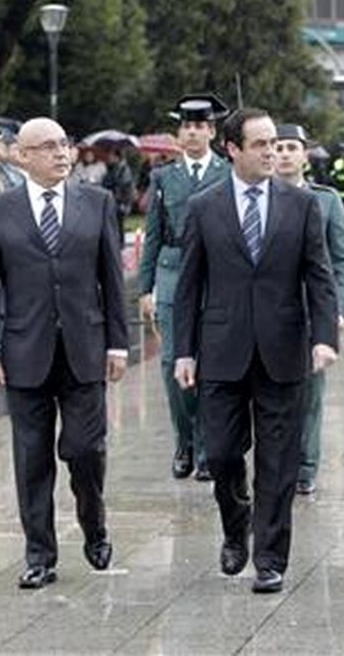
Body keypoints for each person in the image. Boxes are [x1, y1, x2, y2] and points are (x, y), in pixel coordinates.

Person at [173, 108, 338, 594]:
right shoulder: (204, 207)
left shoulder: (301, 204)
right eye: (261, 144)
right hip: (221, 350)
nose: (272, 152)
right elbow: (189, 287)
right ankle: (234, 523)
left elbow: (319, 276)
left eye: (274, 143)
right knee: (222, 455)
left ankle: (270, 559)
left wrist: (324, 336)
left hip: (283, 350)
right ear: (233, 149)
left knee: (278, 461)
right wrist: (184, 350)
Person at [0, 117, 128, 589]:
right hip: (24, 351)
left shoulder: (96, 203)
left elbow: (112, 281)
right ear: (22, 156)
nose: (62, 154)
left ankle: (94, 525)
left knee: (84, 449)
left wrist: (118, 343)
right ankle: (39, 554)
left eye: (65, 143)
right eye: (48, 147)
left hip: (85, 348)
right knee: (31, 456)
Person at [138, 93, 230, 481]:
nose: (192, 133)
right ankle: (185, 442)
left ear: (212, 131)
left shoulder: (228, 172)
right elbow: (154, 235)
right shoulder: (163, 177)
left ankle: (209, 449)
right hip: (173, 273)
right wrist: (146, 288)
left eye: (199, 126)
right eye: (186, 126)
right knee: (173, 364)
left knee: (211, 366)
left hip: (217, 275)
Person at [272, 123, 344, 495]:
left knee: (309, 395)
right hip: (266, 312)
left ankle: (305, 467)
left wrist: (338, 309)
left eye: (292, 147)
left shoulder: (327, 201)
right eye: (278, 147)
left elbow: (343, 259)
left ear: (305, 155)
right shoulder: (257, 198)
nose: (285, 153)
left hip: (311, 312)